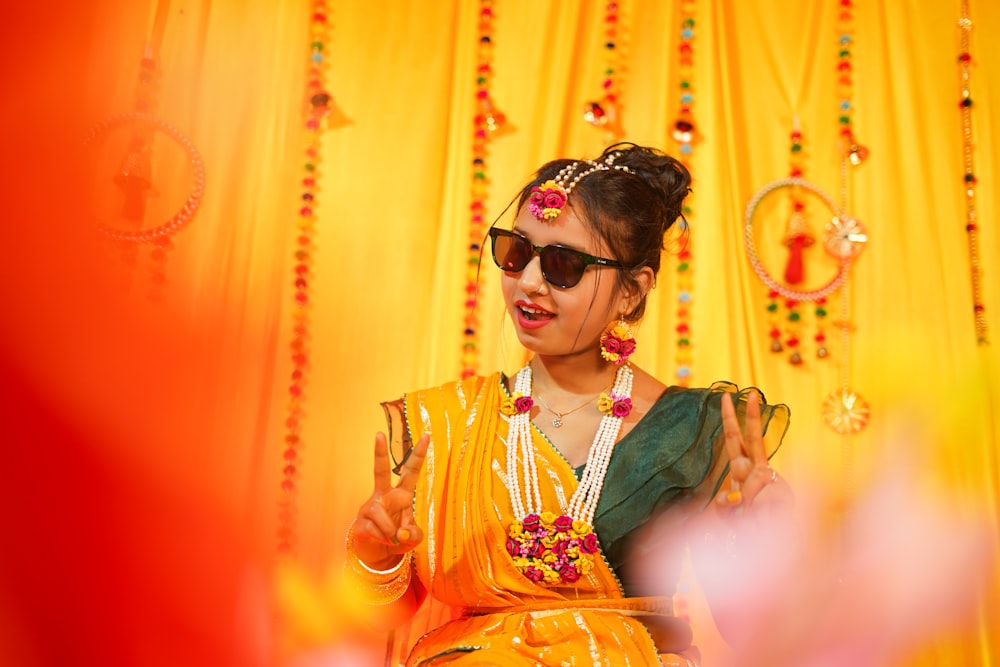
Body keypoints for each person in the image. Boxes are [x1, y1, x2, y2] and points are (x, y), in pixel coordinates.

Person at [343, 142, 791, 666]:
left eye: (563, 264)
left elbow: (754, 633)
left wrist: (754, 547)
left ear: (631, 292)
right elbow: (379, 618)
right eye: (516, 252)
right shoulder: (446, 424)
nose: (528, 283)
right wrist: (376, 557)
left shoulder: (693, 432)